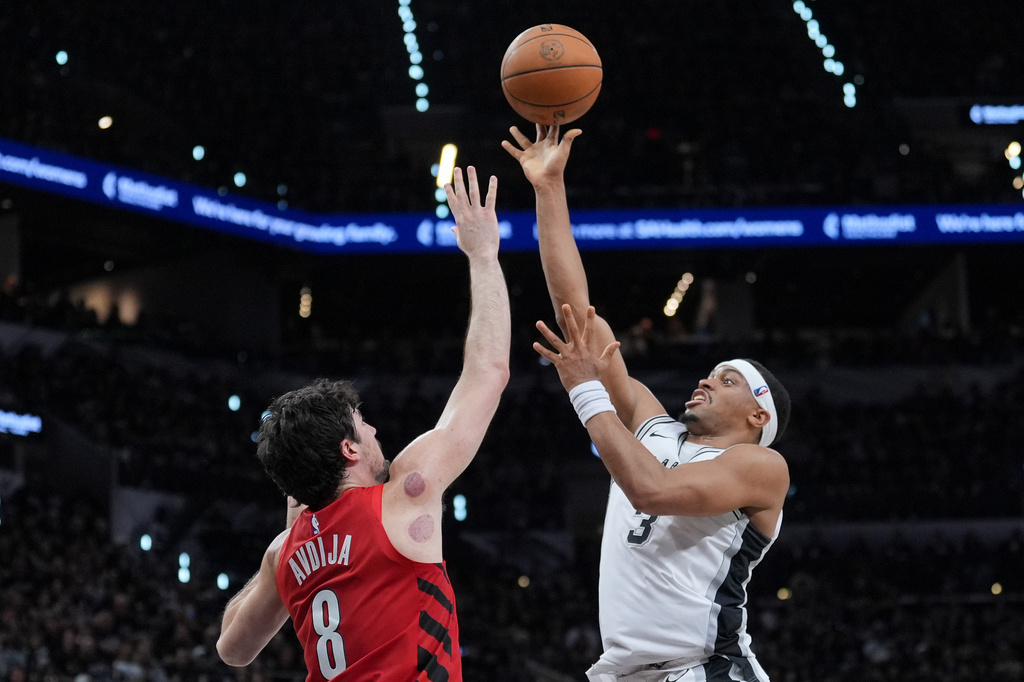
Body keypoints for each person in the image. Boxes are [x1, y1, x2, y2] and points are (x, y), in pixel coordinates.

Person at [504, 126, 791, 682]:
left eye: (727, 380)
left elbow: (651, 490)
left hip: (706, 669)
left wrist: (586, 390)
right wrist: (548, 188)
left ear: (759, 417)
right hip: (626, 672)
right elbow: (576, 313)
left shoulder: (761, 468)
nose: (706, 382)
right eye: (709, 374)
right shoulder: (655, 428)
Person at [215, 166, 510, 682]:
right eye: (363, 425)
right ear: (349, 450)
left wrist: (287, 546)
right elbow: (488, 372)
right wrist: (483, 255)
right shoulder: (404, 495)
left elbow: (232, 649)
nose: (375, 431)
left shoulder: (283, 553)